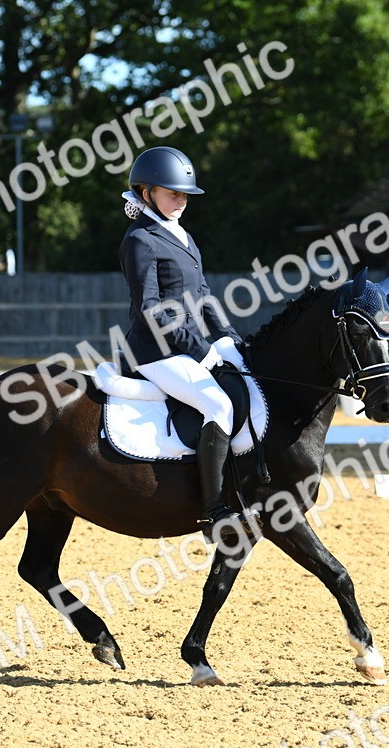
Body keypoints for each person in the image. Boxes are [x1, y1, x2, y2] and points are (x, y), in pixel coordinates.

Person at [118, 146, 246, 538]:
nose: (181, 200)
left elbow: (203, 296)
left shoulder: (182, 236)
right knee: (217, 403)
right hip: (154, 352)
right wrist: (200, 349)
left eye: (185, 194)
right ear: (146, 194)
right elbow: (150, 309)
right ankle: (213, 511)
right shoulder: (140, 240)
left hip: (184, 346)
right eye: (173, 193)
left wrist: (229, 339)